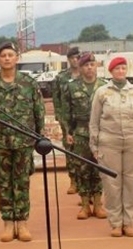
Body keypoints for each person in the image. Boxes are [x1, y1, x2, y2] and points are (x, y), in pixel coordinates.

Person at [0, 42, 45, 242]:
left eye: (10, 55)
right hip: (0, 143)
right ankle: (8, 222)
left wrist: (40, 137)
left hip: (24, 142)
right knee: (4, 184)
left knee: (22, 183)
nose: (7, 58)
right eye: (3, 55)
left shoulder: (28, 83)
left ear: (17, 58)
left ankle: (22, 223)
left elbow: (38, 111)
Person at [90, 57, 133, 237]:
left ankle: (129, 222)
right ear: (111, 72)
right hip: (109, 141)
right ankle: (116, 223)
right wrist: (94, 145)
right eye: (117, 68)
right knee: (112, 184)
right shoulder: (102, 92)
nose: (120, 71)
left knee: (132, 183)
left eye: (123, 68)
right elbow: (94, 121)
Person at [62, 53, 108, 220]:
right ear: (80, 68)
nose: (90, 67)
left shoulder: (104, 87)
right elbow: (65, 112)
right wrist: (67, 131)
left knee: (98, 168)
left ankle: (98, 204)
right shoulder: (71, 87)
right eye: (86, 65)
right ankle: (84, 206)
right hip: (80, 132)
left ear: (96, 66)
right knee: (82, 169)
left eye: (92, 64)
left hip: (101, 133)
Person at [52, 47, 81, 195]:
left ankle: (84, 182)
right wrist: (59, 116)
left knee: (86, 150)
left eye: (78, 57)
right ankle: (73, 180)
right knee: (70, 149)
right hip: (67, 119)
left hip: (83, 118)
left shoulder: (87, 74)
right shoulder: (61, 78)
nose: (76, 60)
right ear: (68, 60)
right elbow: (56, 98)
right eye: (73, 57)